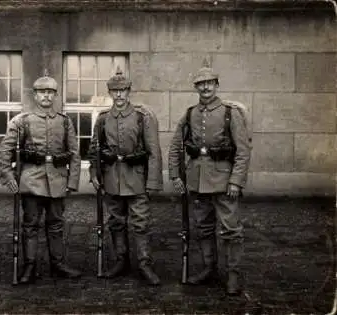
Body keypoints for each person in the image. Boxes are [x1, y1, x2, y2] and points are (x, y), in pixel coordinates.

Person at [168, 59, 251, 296]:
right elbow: (176, 146)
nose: (205, 88)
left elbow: (243, 150)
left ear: (216, 85)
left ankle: (233, 275)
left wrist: (236, 180)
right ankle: (209, 269)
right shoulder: (190, 114)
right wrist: (175, 175)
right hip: (197, 180)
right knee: (203, 228)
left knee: (231, 230)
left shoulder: (229, 113)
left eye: (209, 83)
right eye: (200, 84)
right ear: (196, 87)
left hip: (225, 181)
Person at [0, 70, 82, 284]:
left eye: (50, 92)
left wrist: (72, 182)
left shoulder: (64, 122)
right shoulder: (22, 121)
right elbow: (5, 151)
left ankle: (58, 263)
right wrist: (8, 177)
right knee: (30, 224)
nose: (46, 96)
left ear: (55, 96)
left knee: (56, 224)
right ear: (34, 95)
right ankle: (30, 265)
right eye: (42, 92)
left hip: (57, 180)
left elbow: (74, 153)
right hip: (31, 180)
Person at [87, 67, 163, 286]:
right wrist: (94, 173)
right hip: (111, 177)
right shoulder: (102, 119)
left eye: (123, 90)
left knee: (141, 223)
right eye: (115, 91)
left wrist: (153, 182)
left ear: (129, 91)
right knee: (116, 222)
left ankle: (144, 263)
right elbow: (94, 149)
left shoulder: (141, 117)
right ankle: (121, 260)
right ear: (110, 93)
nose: (119, 95)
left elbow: (153, 150)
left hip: (136, 177)